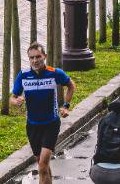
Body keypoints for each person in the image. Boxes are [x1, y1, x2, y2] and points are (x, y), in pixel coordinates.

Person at [11, 42, 73, 184]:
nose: (35, 60)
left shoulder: (54, 73)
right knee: (42, 164)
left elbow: (71, 85)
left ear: (44, 56)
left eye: (38, 57)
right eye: (31, 58)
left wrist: (66, 106)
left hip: (51, 123)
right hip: (32, 125)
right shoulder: (23, 76)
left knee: (42, 166)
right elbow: (12, 99)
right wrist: (17, 101)